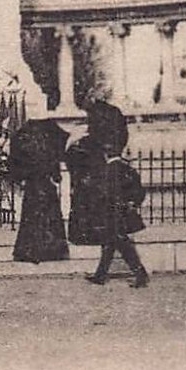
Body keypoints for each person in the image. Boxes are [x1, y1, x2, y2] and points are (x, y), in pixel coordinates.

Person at [72, 102, 150, 289]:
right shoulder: (116, 164)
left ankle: (140, 274)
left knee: (117, 240)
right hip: (112, 207)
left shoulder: (114, 166)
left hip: (112, 207)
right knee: (111, 241)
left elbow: (132, 189)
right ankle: (101, 275)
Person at [10, 119, 70, 264]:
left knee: (31, 217)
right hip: (46, 184)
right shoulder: (49, 138)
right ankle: (52, 250)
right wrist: (55, 175)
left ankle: (30, 250)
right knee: (50, 216)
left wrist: (21, 177)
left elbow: (17, 166)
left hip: (33, 184)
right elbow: (55, 165)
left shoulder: (24, 138)